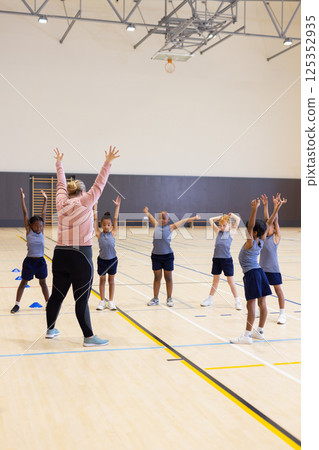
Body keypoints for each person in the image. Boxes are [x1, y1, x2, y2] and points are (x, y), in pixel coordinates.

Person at [46, 146, 119, 346]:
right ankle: (88, 337)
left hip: (60, 254)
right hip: (81, 256)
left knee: (56, 295)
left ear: (69, 192)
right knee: (81, 299)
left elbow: (61, 184)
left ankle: (51, 329)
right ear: (82, 191)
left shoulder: (60, 202)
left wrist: (59, 164)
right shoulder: (86, 201)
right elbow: (100, 183)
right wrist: (108, 162)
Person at [230, 196, 285, 344]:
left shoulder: (251, 243)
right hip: (259, 273)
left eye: (250, 230)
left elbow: (251, 226)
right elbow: (268, 224)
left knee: (251, 305)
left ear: (253, 233)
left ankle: (247, 336)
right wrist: (277, 208)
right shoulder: (262, 240)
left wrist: (254, 210)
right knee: (262, 303)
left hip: (252, 274)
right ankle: (259, 331)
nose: (247, 231)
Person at [143, 208, 200, 307]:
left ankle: (169, 298)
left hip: (168, 257)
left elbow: (184, 220)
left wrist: (195, 217)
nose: (162, 220)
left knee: (168, 277)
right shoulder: (156, 225)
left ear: (168, 220)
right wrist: (146, 212)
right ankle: (155, 298)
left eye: (164, 218)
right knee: (157, 277)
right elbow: (150, 216)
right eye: (160, 218)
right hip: (156, 256)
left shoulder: (171, 227)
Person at [11, 188, 49, 313]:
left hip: (41, 262)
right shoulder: (29, 231)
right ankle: (17, 304)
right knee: (23, 282)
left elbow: (43, 214)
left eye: (41, 225)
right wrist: (22, 198)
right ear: (31, 225)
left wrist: (45, 199)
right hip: (29, 262)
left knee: (43, 283)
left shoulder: (42, 231)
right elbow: (25, 212)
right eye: (37, 225)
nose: (39, 227)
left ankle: (48, 304)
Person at [201, 213, 242, 310]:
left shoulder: (231, 232)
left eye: (224, 225)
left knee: (230, 281)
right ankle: (210, 299)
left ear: (228, 224)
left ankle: (237, 301)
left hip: (226, 260)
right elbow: (210, 220)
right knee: (215, 281)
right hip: (216, 259)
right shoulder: (218, 231)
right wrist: (221, 217)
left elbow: (238, 220)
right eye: (221, 225)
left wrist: (230, 216)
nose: (222, 227)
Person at [259, 193, 288, 324]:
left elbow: (274, 220)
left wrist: (277, 206)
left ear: (274, 229)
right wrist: (266, 205)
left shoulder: (276, 237)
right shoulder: (263, 237)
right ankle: (261, 310)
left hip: (274, 269)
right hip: (262, 269)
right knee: (262, 292)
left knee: (278, 290)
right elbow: (268, 219)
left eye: (269, 227)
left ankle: (282, 313)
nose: (267, 228)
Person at [94, 196, 121, 311]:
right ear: (101, 225)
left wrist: (117, 207)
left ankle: (111, 301)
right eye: (104, 224)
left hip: (112, 260)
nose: (106, 226)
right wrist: (95, 204)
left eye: (108, 225)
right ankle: (102, 301)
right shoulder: (99, 234)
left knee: (111, 280)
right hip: (102, 260)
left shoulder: (113, 233)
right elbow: (95, 219)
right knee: (102, 280)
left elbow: (115, 219)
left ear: (111, 226)